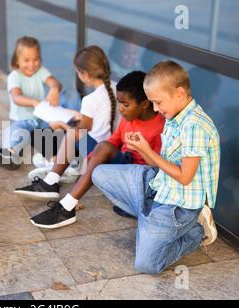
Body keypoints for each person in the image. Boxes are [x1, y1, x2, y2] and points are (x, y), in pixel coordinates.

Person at [92, 61, 220, 274]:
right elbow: (160, 162)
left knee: (147, 265)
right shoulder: (174, 115)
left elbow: (185, 177)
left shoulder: (194, 126)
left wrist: (148, 152)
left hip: (179, 205)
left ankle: (195, 230)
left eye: (157, 102)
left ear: (179, 93)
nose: (155, 109)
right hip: (158, 183)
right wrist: (140, 148)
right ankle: (149, 222)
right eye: (152, 103)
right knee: (99, 174)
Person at [24, 71, 165, 229]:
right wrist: (91, 157)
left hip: (137, 173)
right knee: (76, 133)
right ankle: (50, 182)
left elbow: (157, 168)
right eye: (119, 103)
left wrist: (142, 149)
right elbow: (114, 140)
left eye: (126, 105)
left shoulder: (160, 127)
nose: (121, 109)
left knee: (103, 147)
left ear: (145, 104)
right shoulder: (129, 118)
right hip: (121, 162)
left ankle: (67, 207)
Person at [14, 45, 119, 200]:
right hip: (109, 145)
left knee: (60, 133)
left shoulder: (91, 100)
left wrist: (63, 124)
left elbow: (81, 132)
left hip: (96, 149)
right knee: (61, 132)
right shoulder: (115, 87)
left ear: (85, 74)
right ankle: (59, 168)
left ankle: (51, 180)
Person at [0, 36, 63, 167]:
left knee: (52, 133)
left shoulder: (41, 71)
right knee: (15, 133)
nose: (32, 64)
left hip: (40, 120)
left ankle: (55, 160)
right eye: (26, 60)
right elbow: (16, 98)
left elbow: (55, 83)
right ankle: (8, 154)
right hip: (21, 120)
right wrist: (34, 102)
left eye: (36, 59)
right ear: (17, 61)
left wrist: (55, 88)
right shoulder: (14, 76)